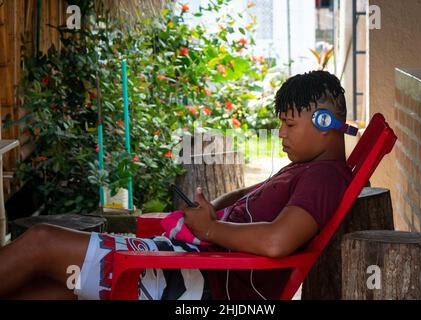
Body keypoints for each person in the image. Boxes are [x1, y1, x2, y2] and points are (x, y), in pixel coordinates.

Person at [0, 70, 352, 300]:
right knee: (48, 285)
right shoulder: (305, 168)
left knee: (41, 242)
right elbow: (248, 198)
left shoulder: (323, 176)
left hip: (197, 281)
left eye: (290, 125)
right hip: (189, 262)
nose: (280, 133)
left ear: (324, 122)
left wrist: (212, 229)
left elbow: (277, 242)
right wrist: (213, 212)